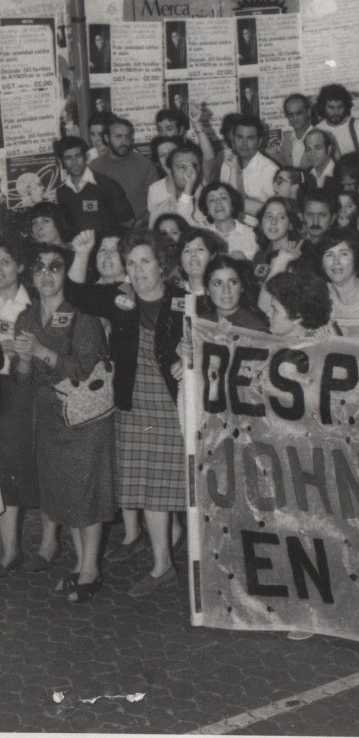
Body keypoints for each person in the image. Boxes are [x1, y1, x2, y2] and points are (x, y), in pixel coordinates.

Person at [65, 229, 186, 596]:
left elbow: (215, 338)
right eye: (131, 263)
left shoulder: (185, 302)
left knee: (160, 486)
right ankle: (163, 563)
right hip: (131, 402)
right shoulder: (120, 296)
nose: (137, 270)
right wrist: (82, 253)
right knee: (146, 486)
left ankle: (165, 558)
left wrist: (192, 358)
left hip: (170, 404)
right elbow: (75, 293)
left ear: (161, 266)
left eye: (145, 262)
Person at [13, 245, 114, 602]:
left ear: (65, 274)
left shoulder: (82, 317)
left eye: (55, 268)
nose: (47, 274)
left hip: (81, 417)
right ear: (32, 275)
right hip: (47, 417)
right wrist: (24, 361)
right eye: (40, 267)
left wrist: (41, 352)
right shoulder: (26, 319)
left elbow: (82, 371)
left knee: (84, 492)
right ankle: (80, 565)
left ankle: (90, 571)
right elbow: (23, 379)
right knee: (64, 494)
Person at [0, 236, 41, 576]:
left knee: (11, 464)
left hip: (17, 388)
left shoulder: (32, 305)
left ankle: (11, 549)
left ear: (21, 266)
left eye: (6, 262)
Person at [54, 136, 134, 234]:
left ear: (86, 157)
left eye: (78, 156)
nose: (74, 162)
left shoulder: (107, 184)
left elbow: (128, 221)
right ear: (61, 161)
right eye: (68, 158)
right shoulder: (62, 191)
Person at [199, 256, 268, 332]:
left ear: (242, 287)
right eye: (217, 283)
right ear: (207, 290)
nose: (226, 290)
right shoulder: (200, 322)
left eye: (233, 282)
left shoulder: (256, 328)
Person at [198, 182, 257, 260]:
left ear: (232, 205)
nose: (218, 202)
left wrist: (246, 262)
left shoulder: (252, 235)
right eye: (212, 200)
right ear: (207, 209)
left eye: (223, 198)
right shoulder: (202, 238)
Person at [178, 227, 227, 295]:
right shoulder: (175, 293)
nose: (193, 254)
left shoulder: (224, 292)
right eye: (187, 251)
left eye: (200, 249)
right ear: (181, 261)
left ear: (212, 257)